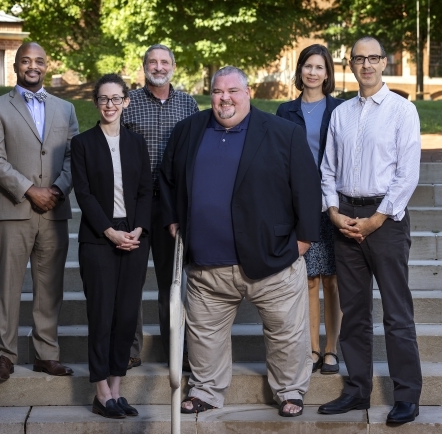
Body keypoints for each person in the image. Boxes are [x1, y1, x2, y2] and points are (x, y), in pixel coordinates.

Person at [161, 66, 322, 417]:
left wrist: (305, 240)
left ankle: (290, 390)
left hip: (273, 260)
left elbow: (308, 188)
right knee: (204, 336)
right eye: (218, 91)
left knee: (287, 334)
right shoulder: (188, 130)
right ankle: (205, 390)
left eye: (233, 91)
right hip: (207, 263)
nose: (225, 98)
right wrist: (173, 217)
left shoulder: (283, 133)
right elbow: (167, 179)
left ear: (248, 93)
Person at [318, 36, 422, 424]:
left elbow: (407, 173)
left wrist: (377, 218)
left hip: (387, 221)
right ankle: (358, 390)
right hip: (345, 218)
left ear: (384, 62)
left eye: (373, 58)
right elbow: (327, 169)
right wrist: (332, 211)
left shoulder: (401, 110)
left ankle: (407, 397)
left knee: (397, 312)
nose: (367, 65)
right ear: (350, 64)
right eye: (359, 59)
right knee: (354, 312)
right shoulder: (341, 114)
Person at [0, 42, 78, 381]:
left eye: (39, 60)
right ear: (16, 66)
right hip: (12, 210)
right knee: (8, 285)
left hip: (54, 211)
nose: (32, 66)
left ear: (47, 65)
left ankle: (46, 354)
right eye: (26, 60)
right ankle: (5, 356)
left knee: (50, 287)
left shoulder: (65, 109)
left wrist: (57, 190)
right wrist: (29, 190)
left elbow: (74, 157)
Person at [71, 74, 152, 419]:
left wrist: (138, 228)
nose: (109, 105)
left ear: (126, 102)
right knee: (102, 314)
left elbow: (147, 191)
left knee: (126, 315)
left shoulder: (137, 142)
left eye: (116, 99)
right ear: (96, 102)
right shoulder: (83, 143)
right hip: (99, 238)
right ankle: (101, 392)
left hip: (133, 237)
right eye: (103, 99)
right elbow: (84, 193)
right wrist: (109, 231)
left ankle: (117, 389)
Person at [121, 44, 199, 369]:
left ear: (174, 66)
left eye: (164, 61)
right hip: (135, 205)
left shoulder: (188, 104)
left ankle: (174, 351)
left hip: (171, 208)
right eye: (152, 61)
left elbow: (197, 153)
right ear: (144, 66)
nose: (158, 66)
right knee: (131, 280)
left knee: (172, 283)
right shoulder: (128, 104)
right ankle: (128, 349)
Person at [276, 44, 344, 375]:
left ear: (328, 73)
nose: (312, 72)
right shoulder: (284, 111)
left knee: (332, 280)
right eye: (307, 66)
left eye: (319, 67)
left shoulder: (341, 109)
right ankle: (313, 348)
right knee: (309, 280)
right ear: (300, 70)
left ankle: (332, 349)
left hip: (332, 202)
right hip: (300, 205)